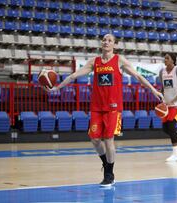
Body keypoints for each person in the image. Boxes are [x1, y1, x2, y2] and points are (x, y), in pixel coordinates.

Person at [45, 34, 163, 187]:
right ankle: (106, 165)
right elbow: (74, 75)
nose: (106, 42)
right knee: (95, 139)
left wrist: (153, 90)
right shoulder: (95, 62)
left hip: (113, 108)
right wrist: (56, 88)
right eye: (104, 40)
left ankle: (109, 174)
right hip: (97, 107)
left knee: (108, 140)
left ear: (114, 44)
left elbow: (138, 76)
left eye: (109, 40)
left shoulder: (119, 60)